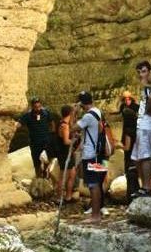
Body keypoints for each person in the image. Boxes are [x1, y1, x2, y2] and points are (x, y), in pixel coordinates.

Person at [73, 91, 106, 223]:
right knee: (97, 182)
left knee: (93, 184)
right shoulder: (97, 111)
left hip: (91, 155)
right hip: (99, 155)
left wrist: (73, 113)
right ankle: (97, 212)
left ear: (81, 103)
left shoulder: (87, 117)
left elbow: (72, 128)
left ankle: (95, 215)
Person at [131, 61, 151, 198]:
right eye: (139, 72)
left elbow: (150, 106)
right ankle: (143, 185)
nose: (141, 75)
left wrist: (144, 85)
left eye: (143, 71)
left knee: (145, 156)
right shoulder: (146, 88)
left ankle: (147, 187)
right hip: (141, 123)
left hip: (148, 124)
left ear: (149, 71)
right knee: (136, 157)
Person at [16, 97, 54, 178]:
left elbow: (52, 122)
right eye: (36, 107)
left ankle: (46, 177)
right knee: (37, 163)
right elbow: (19, 124)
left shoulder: (46, 113)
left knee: (46, 160)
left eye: (39, 106)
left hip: (46, 142)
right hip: (35, 143)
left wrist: (52, 135)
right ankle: (38, 179)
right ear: (32, 106)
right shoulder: (27, 115)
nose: (38, 109)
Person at [118, 91, 140, 203]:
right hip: (136, 155)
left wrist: (117, 146)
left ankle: (130, 198)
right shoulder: (136, 129)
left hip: (129, 156)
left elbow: (126, 147)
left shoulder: (128, 131)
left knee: (130, 176)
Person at [57, 104, 78, 203]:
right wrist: (75, 140)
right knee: (63, 176)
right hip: (64, 153)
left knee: (72, 174)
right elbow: (66, 141)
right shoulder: (64, 125)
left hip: (68, 152)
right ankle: (59, 197)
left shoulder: (67, 124)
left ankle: (68, 196)